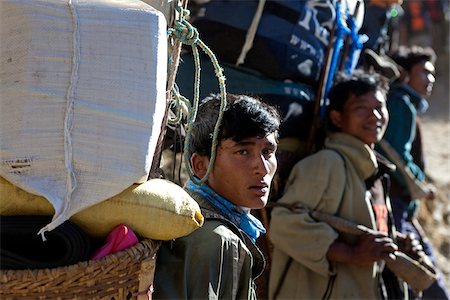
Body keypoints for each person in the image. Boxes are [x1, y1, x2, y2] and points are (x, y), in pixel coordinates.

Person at [268, 71, 401, 299]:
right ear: (337, 118)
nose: (375, 116)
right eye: (361, 108)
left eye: (380, 107)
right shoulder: (326, 164)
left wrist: (397, 247)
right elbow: (284, 225)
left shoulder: (375, 173)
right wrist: (352, 253)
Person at [153, 94, 281, 299]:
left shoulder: (187, 220)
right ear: (200, 165)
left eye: (267, 152)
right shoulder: (220, 240)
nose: (262, 168)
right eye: (243, 151)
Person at [379, 45, 450, 299]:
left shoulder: (404, 103)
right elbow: (395, 154)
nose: (430, 80)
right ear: (404, 75)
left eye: (432, 74)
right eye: (424, 73)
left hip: (399, 205)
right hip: (395, 205)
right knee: (428, 283)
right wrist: (421, 186)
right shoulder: (401, 105)